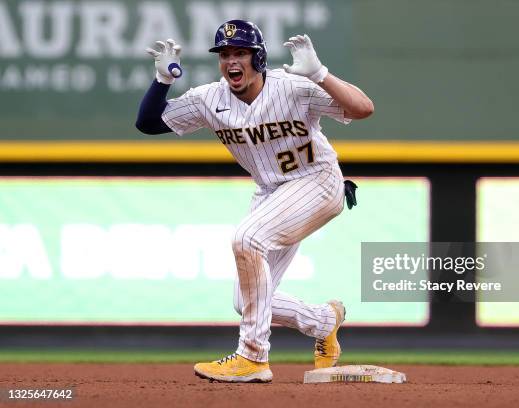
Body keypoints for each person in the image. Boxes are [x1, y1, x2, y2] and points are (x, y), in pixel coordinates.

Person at [135, 19, 374, 383]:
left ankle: (252, 357)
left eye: (241, 53)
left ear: (258, 58)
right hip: (272, 193)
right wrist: (163, 81)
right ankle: (324, 320)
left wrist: (321, 74)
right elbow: (149, 123)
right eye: (225, 54)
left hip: (318, 183)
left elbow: (363, 108)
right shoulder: (209, 99)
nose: (232, 61)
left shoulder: (292, 87)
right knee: (246, 300)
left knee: (247, 239)